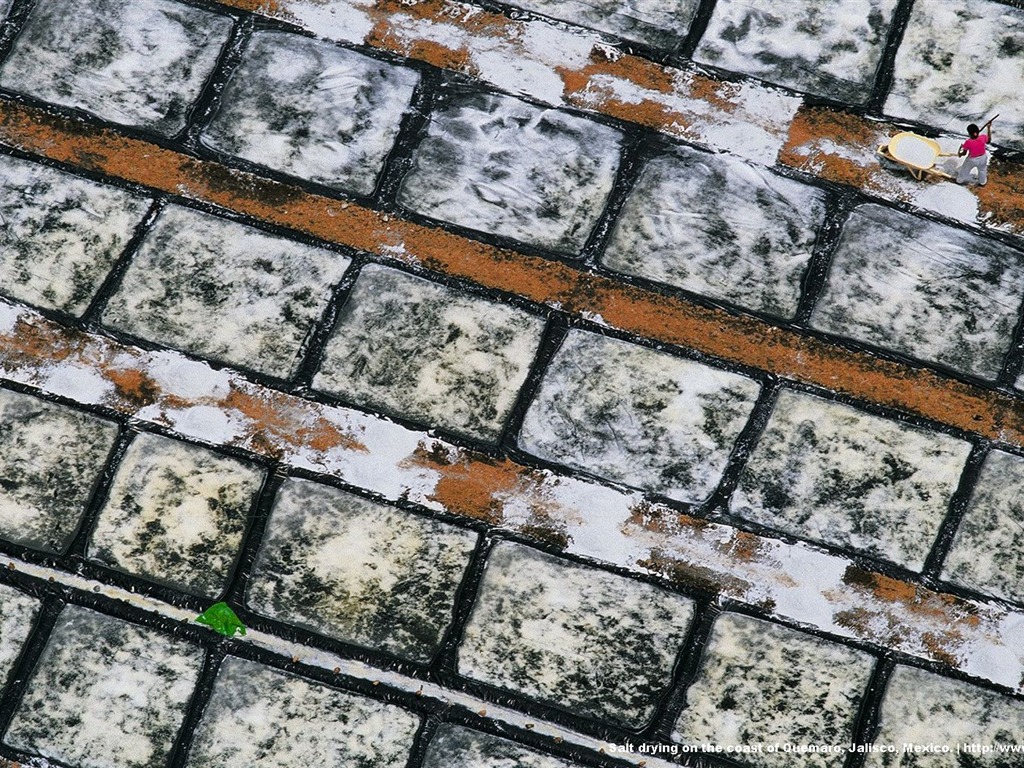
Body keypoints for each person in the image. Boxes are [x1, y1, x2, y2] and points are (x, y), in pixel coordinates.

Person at [957, 116, 995, 186]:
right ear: (977, 132)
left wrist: (960, 154)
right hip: (983, 157)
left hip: (972, 159)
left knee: (965, 169)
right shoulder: (983, 137)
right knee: (982, 170)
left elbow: (964, 153)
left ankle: (960, 180)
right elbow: (989, 141)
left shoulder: (968, 142)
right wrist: (988, 128)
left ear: (970, 134)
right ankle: (983, 182)